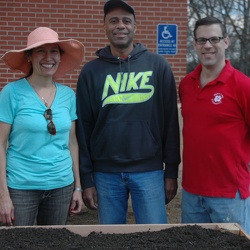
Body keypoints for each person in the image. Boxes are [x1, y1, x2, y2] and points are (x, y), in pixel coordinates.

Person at [76, 0, 180, 224]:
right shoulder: (90, 72)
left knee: (155, 238)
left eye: (126, 21)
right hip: (105, 173)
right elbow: (83, 128)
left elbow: (171, 122)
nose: (120, 25)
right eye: (113, 21)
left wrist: (171, 170)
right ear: (105, 27)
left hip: (150, 171)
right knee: (111, 241)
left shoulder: (158, 66)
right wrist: (86, 179)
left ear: (135, 26)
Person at [0, 27, 84, 226]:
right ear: (29, 56)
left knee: (55, 242)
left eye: (54, 51)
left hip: (61, 186)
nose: (48, 57)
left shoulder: (68, 95)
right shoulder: (11, 93)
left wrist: (78, 187)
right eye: (41, 51)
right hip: (21, 187)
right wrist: (3, 195)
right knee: (18, 243)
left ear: (60, 57)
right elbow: (0, 144)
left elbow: (72, 143)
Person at [179, 16, 250, 235]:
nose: (208, 45)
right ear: (194, 45)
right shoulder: (186, 84)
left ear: (226, 42)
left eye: (214, 39)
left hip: (229, 194)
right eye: (201, 40)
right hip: (191, 193)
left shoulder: (242, 85)